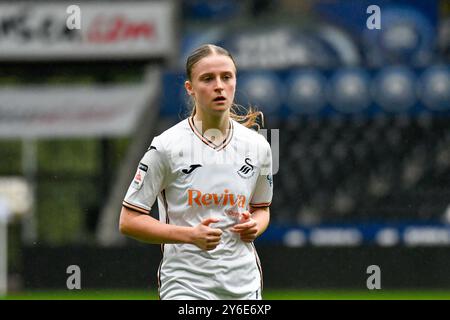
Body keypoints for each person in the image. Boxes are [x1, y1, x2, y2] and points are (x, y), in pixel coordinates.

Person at [119, 44, 273, 300]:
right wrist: (190, 235)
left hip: (243, 285)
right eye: (207, 79)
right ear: (190, 88)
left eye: (226, 77)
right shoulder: (166, 147)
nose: (219, 86)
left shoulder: (258, 146)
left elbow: (262, 209)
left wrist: (254, 227)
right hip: (185, 285)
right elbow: (129, 220)